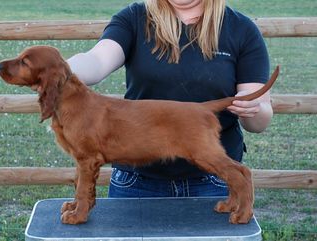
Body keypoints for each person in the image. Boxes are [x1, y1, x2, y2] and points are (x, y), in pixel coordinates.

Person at [67, 0, 273, 198]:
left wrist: (252, 108)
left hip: (214, 180)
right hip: (137, 182)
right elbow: (97, 60)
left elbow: (259, 122)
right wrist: (64, 69)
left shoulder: (241, 29)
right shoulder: (134, 18)